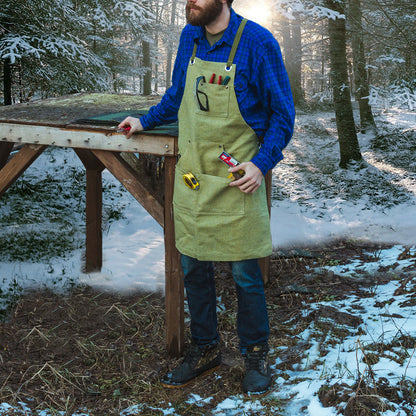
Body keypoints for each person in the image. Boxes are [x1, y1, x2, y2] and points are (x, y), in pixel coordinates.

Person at [119, 0, 295, 395]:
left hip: (237, 179)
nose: (190, 1)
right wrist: (145, 120)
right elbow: (179, 93)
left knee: (245, 275)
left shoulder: (257, 42)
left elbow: (283, 115)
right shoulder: (190, 36)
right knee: (194, 267)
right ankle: (205, 349)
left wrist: (260, 164)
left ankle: (254, 355)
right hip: (194, 175)